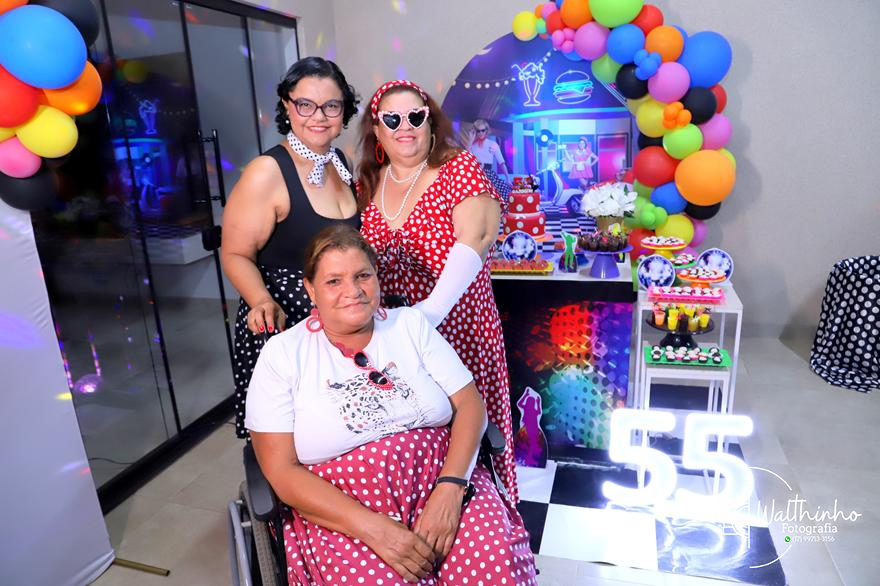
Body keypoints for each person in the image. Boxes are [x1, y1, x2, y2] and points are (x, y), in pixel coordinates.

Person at [246, 225, 537, 585]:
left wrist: (451, 488)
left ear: (377, 277)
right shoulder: (283, 354)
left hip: (442, 481)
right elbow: (280, 470)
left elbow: (470, 405)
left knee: (496, 567)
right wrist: (375, 529)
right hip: (346, 511)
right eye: (334, 281)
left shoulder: (409, 325)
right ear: (311, 289)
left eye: (363, 275)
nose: (353, 291)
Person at [357, 80, 520, 502]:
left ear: (431, 121)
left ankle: (479, 517)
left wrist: (428, 314)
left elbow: (477, 236)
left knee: (467, 436)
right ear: (377, 129)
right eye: (393, 119)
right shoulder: (368, 183)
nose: (405, 126)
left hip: (458, 329)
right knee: (412, 435)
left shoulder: (457, 167)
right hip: (393, 336)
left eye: (416, 116)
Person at [221, 57, 360, 440]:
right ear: (287, 105)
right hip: (287, 329)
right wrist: (261, 301)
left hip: (336, 327)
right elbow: (234, 253)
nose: (319, 117)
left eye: (331, 106)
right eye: (305, 104)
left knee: (340, 438)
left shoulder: (340, 162)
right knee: (290, 444)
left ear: (344, 110)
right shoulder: (266, 171)